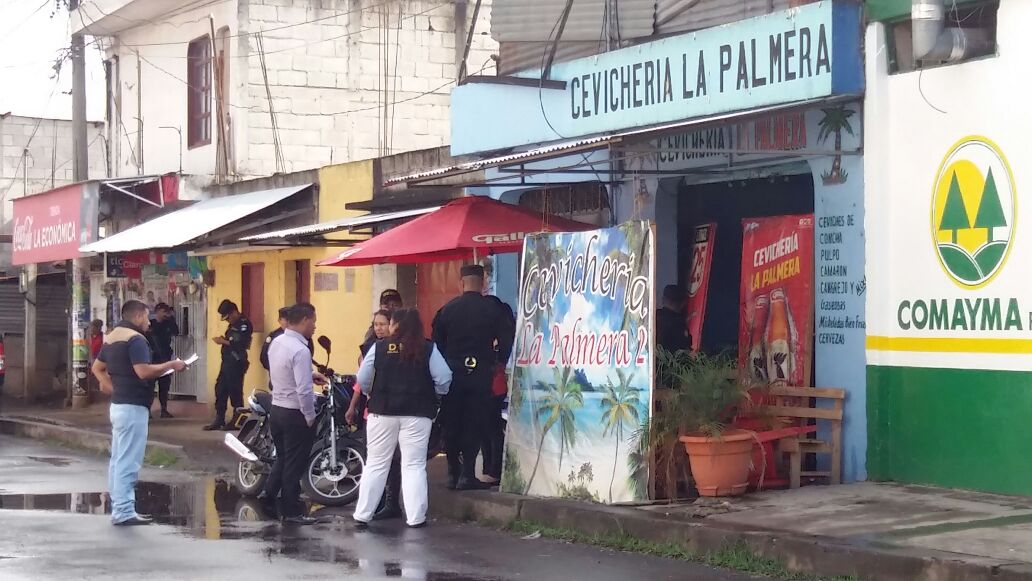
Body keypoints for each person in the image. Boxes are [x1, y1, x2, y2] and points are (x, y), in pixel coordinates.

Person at [353, 308, 452, 528]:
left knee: (376, 464)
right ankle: (416, 518)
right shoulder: (427, 348)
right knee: (414, 465)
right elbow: (444, 377)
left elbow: (363, 377)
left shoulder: (378, 348)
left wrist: (371, 393)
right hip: (418, 413)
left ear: (394, 325)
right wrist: (436, 395)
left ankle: (363, 514)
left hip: (382, 411)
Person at [91, 300, 186, 526]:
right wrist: (171, 365)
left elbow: (97, 368)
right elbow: (142, 371)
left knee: (118, 459)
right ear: (137, 317)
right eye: (145, 316)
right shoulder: (136, 339)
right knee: (128, 460)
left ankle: (119, 506)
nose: (147, 321)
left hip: (118, 405)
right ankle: (123, 511)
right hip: (133, 406)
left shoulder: (113, 336)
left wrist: (109, 386)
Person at [432, 264, 516, 491]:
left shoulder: (447, 310)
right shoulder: (494, 309)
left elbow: (436, 346)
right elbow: (507, 339)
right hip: (480, 374)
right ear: (483, 283)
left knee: (452, 422)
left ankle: (452, 472)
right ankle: (467, 474)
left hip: (452, 375)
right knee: (474, 423)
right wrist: (498, 361)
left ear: (461, 283)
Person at [261, 302, 327, 525]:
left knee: (283, 457)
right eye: (314, 322)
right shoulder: (300, 349)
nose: (315, 327)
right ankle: (291, 511)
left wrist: (310, 373)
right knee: (294, 464)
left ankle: (268, 495)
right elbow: (304, 390)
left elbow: (284, 371)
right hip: (294, 413)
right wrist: (309, 416)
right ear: (305, 320)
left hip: (277, 408)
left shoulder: (277, 342)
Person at [347, 309, 403, 520]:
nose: (379, 328)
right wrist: (352, 406)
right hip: (371, 410)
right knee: (373, 459)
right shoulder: (369, 348)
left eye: (383, 324)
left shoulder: (400, 349)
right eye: (376, 324)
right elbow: (360, 383)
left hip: (391, 411)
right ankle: (376, 502)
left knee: (393, 460)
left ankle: (391, 502)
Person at [205, 300, 254, 431]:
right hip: (227, 362)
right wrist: (225, 341)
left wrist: (223, 341)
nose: (227, 321)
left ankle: (238, 420)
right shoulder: (233, 325)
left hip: (237, 363)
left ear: (234, 312)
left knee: (235, 391)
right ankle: (219, 418)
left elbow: (241, 343)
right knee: (220, 389)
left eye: (228, 317)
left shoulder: (244, 324)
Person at [481, 301, 515, 484]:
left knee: (492, 428)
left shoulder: (501, 340)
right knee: (488, 428)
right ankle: (489, 468)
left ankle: (493, 470)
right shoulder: (503, 337)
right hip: (495, 385)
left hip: (494, 385)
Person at [148, 303, 179, 419]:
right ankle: (148, 410)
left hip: (165, 357)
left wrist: (171, 319)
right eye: (163, 311)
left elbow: (176, 332)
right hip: (153, 359)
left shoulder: (168, 323)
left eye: (167, 311)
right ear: (158, 311)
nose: (165, 313)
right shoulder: (151, 324)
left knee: (164, 386)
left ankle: (164, 409)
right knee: (150, 386)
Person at [261, 307, 313, 376]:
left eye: (290, 319)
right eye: (285, 319)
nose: (288, 322)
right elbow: (264, 357)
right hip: (278, 377)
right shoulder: (274, 336)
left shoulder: (302, 335)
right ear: (279, 320)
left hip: (298, 375)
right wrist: (277, 369)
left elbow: (309, 352)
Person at [656, 284, 691, 353]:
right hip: (671, 361)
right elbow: (683, 348)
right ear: (683, 303)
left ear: (663, 299)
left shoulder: (654, 317)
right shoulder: (678, 323)